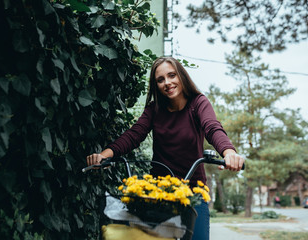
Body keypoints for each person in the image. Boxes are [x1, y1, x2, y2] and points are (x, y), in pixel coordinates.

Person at [87, 56, 245, 240]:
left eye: (172, 75)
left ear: (181, 76)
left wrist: (229, 152)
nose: (167, 83)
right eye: (160, 80)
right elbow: (134, 135)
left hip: (193, 192)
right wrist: (104, 156)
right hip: (158, 194)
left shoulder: (198, 103)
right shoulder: (154, 110)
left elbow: (212, 127)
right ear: (156, 86)